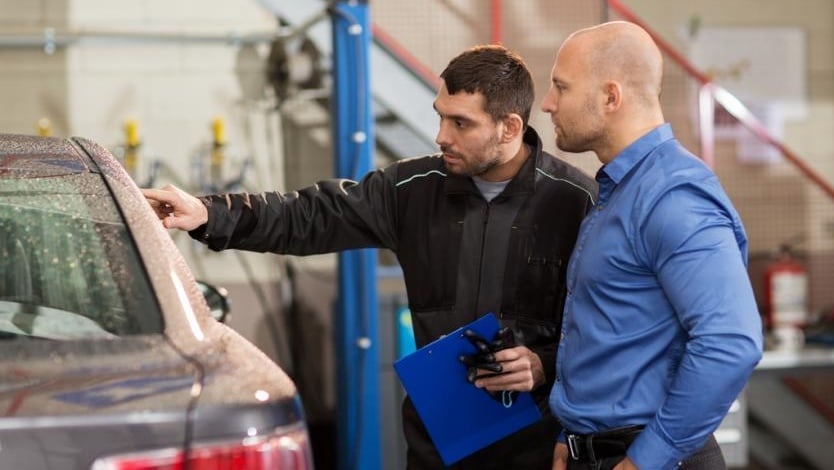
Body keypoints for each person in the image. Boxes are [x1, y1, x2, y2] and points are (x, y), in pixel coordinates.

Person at [142, 45, 597, 470]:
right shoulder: (409, 190)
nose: (441, 136)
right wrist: (207, 213)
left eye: (461, 123)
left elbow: (615, 329)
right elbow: (306, 215)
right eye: (440, 117)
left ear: (510, 127)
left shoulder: (578, 203)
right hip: (439, 440)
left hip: (538, 445)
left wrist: (545, 363)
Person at [540, 21, 763, 470]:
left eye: (560, 88)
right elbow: (613, 335)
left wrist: (648, 457)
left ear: (611, 97)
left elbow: (730, 342)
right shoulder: (620, 191)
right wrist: (578, 434)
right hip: (599, 452)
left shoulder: (672, 196)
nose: (548, 104)